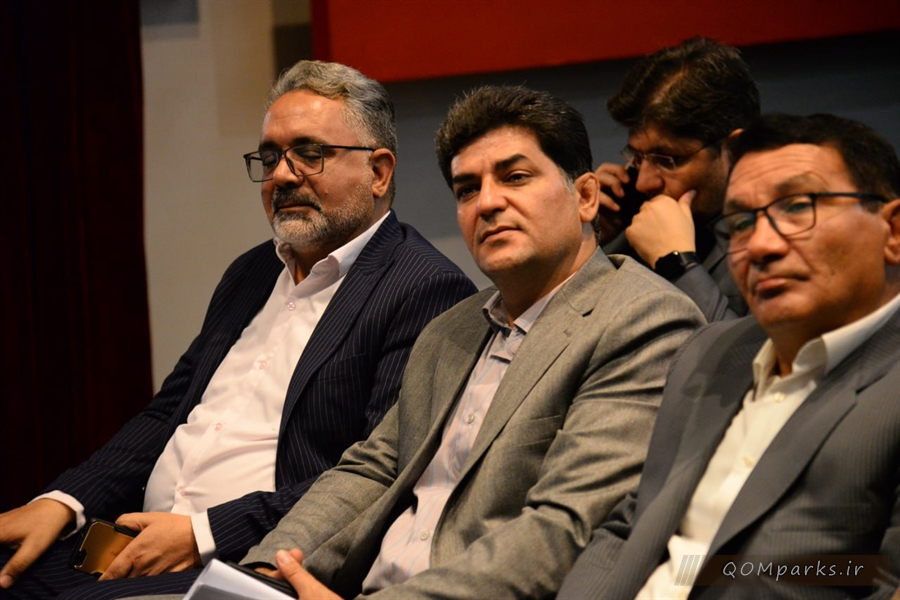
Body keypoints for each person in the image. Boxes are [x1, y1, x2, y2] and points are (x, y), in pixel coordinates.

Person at [72, 85, 706, 600]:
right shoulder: (456, 327)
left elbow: (561, 530)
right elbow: (369, 471)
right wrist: (260, 578)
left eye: (514, 177)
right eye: (467, 189)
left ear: (586, 195)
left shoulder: (640, 319)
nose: (487, 204)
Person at [0, 60, 475, 598]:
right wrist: (64, 502)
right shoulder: (251, 272)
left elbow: (378, 476)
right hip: (135, 541)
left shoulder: (423, 287)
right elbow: (166, 416)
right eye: (270, 157)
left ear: (379, 172)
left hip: (252, 563)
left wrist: (202, 534)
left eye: (309, 153)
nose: (282, 176)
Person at [559, 113, 900, 599]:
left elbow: (880, 581)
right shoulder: (710, 351)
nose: (760, 245)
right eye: (741, 222)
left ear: (893, 231)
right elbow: (632, 527)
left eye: (797, 208)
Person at [596, 36, 760, 321]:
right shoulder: (629, 224)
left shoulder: (783, 236)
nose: (643, 183)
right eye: (637, 156)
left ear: (734, 149)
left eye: (667, 160)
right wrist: (585, 243)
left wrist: (677, 264)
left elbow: (756, 350)